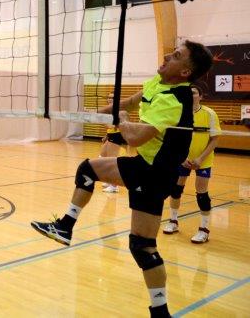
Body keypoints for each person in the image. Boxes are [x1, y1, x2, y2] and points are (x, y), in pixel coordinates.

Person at [31, 40, 213, 317]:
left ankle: (160, 311)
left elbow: (136, 138)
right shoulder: (158, 82)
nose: (167, 55)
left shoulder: (174, 100)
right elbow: (128, 102)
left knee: (143, 246)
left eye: (176, 56)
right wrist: (87, 115)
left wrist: (122, 120)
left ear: (185, 72)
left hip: (154, 174)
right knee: (88, 170)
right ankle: (65, 227)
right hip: (145, 165)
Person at [163, 85, 220, 243]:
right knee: (176, 190)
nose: (191, 95)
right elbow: (172, 139)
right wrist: (182, 158)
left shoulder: (209, 113)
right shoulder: (178, 113)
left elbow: (215, 139)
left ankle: (204, 229)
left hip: (203, 160)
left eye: (194, 93)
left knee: (202, 194)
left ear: (200, 96)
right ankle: (173, 221)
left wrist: (200, 159)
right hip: (183, 159)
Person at [100, 92, 127, 193]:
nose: (110, 99)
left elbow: (113, 126)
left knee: (112, 162)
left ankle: (114, 186)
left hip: (117, 136)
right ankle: (109, 180)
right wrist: (106, 136)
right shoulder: (109, 110)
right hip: (111, 136)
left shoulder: (118, 110)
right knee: (102, 157)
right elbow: (110, 127)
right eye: (109, 97)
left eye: (112, 97)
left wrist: (99, 119)